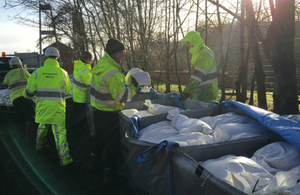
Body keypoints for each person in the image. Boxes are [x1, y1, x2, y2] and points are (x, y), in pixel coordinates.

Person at [88, 38, 138, 185]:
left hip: (97, 110)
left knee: (99, 139)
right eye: (122, 52)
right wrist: (135, 87)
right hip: (110, 113)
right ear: (115, 53)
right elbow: (122, 96)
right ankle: (109, 175)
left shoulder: (102, 64)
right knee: (112, 146)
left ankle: (93, 163)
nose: (123, 55)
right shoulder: (112, 71)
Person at [23, 47, 73, 167]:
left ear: (45, 57)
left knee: (42, 127)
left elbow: (28, 93)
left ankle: (39, 148)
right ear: (58, 58)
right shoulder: (64, 73)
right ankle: (65, 160)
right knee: (60, 133)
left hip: (42, 108)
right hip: (58, 109)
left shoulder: (37, 72)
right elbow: (67, 92)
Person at [3, 57, 37, 143]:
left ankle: (20, 139)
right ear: (19, 64)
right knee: (31, 118)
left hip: (15, 100)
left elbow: (5, 85)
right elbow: (32, 80)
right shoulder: (24, 72)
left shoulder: (8, 75)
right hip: (25, 97)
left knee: (21, 120)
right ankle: (31, 138)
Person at [180, 31, 218, 102]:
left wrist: (187, 92)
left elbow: (197, 76)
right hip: (200, 93)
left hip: (208, 93)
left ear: (193, 41)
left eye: (188, 42)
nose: (187, 44)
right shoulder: (196, 55)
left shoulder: (206, 53)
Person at [68, 51, 93, 160]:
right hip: (81, 96)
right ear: (87, 59)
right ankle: (77, 134)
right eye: (90, 58)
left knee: (76, 113)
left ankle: (73, 130)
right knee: (80, 116)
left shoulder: (80, 65)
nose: (92, 60)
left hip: (77, 94)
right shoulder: (85, 70)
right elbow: (90, 84)